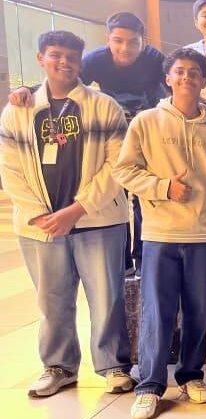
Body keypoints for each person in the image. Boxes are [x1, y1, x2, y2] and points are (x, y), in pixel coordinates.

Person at [0, 30, 134, 400]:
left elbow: (117, 165)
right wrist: (40, 214)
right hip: (40, 226)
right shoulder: (19, 110)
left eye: (72, 56)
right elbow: (9, 168)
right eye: (55, 54)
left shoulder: (104, 106)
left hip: (98, 221)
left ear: (81, 61)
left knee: (107, 297)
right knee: (52, 299)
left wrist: (77, 209)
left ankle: (113, 365)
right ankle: (58, 367)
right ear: (41, 58)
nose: (64, 62)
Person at [113, 48, 206, 419]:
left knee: (198, 311)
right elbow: (125, 170)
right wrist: (164, 187)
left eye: (194, 72)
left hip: (204, 233)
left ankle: (191, 375)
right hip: (161, 233)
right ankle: (149, 385)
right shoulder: (147, 122)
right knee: (157, 311)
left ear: (203, 80)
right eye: (179, 71)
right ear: (167, 78)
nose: (186, 78)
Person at [6, 12, 167, 277]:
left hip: (144, 135)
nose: (125, 48)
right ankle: (124, 262)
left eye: (132, 42)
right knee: (116, 196)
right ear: (108, 40)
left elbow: (178, 82)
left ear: (143, 41)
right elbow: (62, 78)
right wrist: (27, 89)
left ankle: (142, 257)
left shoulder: (155, 59)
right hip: (111, 134)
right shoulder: (95, 60)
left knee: (144, 196)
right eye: (118, 41)